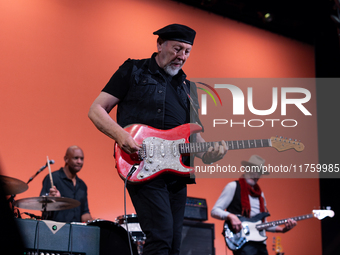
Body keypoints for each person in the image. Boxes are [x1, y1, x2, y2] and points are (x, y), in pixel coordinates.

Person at [88, 24, 228, 255]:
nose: (181, 56)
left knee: (173, 245)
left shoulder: (189, 89)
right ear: (159, 44)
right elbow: (96, 110)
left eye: (187, 52)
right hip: (143, 166)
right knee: (160, 237)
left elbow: (197, 141)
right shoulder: (133, 70)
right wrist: (121, 135)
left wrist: (210, 153)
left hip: (177, 174)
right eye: (176, 49)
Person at [211, 155, 297, 255]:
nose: (256, 175)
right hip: (243, 243)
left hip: (261, 244)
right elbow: (215, 211)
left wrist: (283, 229)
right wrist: (231, 216)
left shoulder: (260, 195)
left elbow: (262, 224)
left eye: (259, 172)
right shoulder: (233, 186)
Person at [40, 145, 93, 223]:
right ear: (66, 159)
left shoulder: (82, 185)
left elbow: (84, 212)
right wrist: (51, 200)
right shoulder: (53, 178)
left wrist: (95, 221)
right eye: (76, 158)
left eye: (82, 159)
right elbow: (42, 207)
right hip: (55, 230)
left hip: (75, 231)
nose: (79, 162)